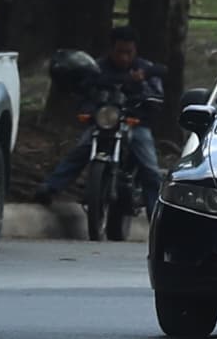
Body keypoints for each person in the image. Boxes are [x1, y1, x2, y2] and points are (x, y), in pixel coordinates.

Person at [40, 30, 169, 213]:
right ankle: (51, 187)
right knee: (81, 150)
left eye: (128, 52)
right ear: (111, 49)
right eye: (119, 52)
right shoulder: (97, 68)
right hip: (104, 120)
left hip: (134, 123)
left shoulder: (145, 69)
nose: (124, 57)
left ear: (135, 51)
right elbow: (85, 89)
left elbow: (156, 95)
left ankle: (157, 214)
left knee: (150, 168)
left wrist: (143, 88)